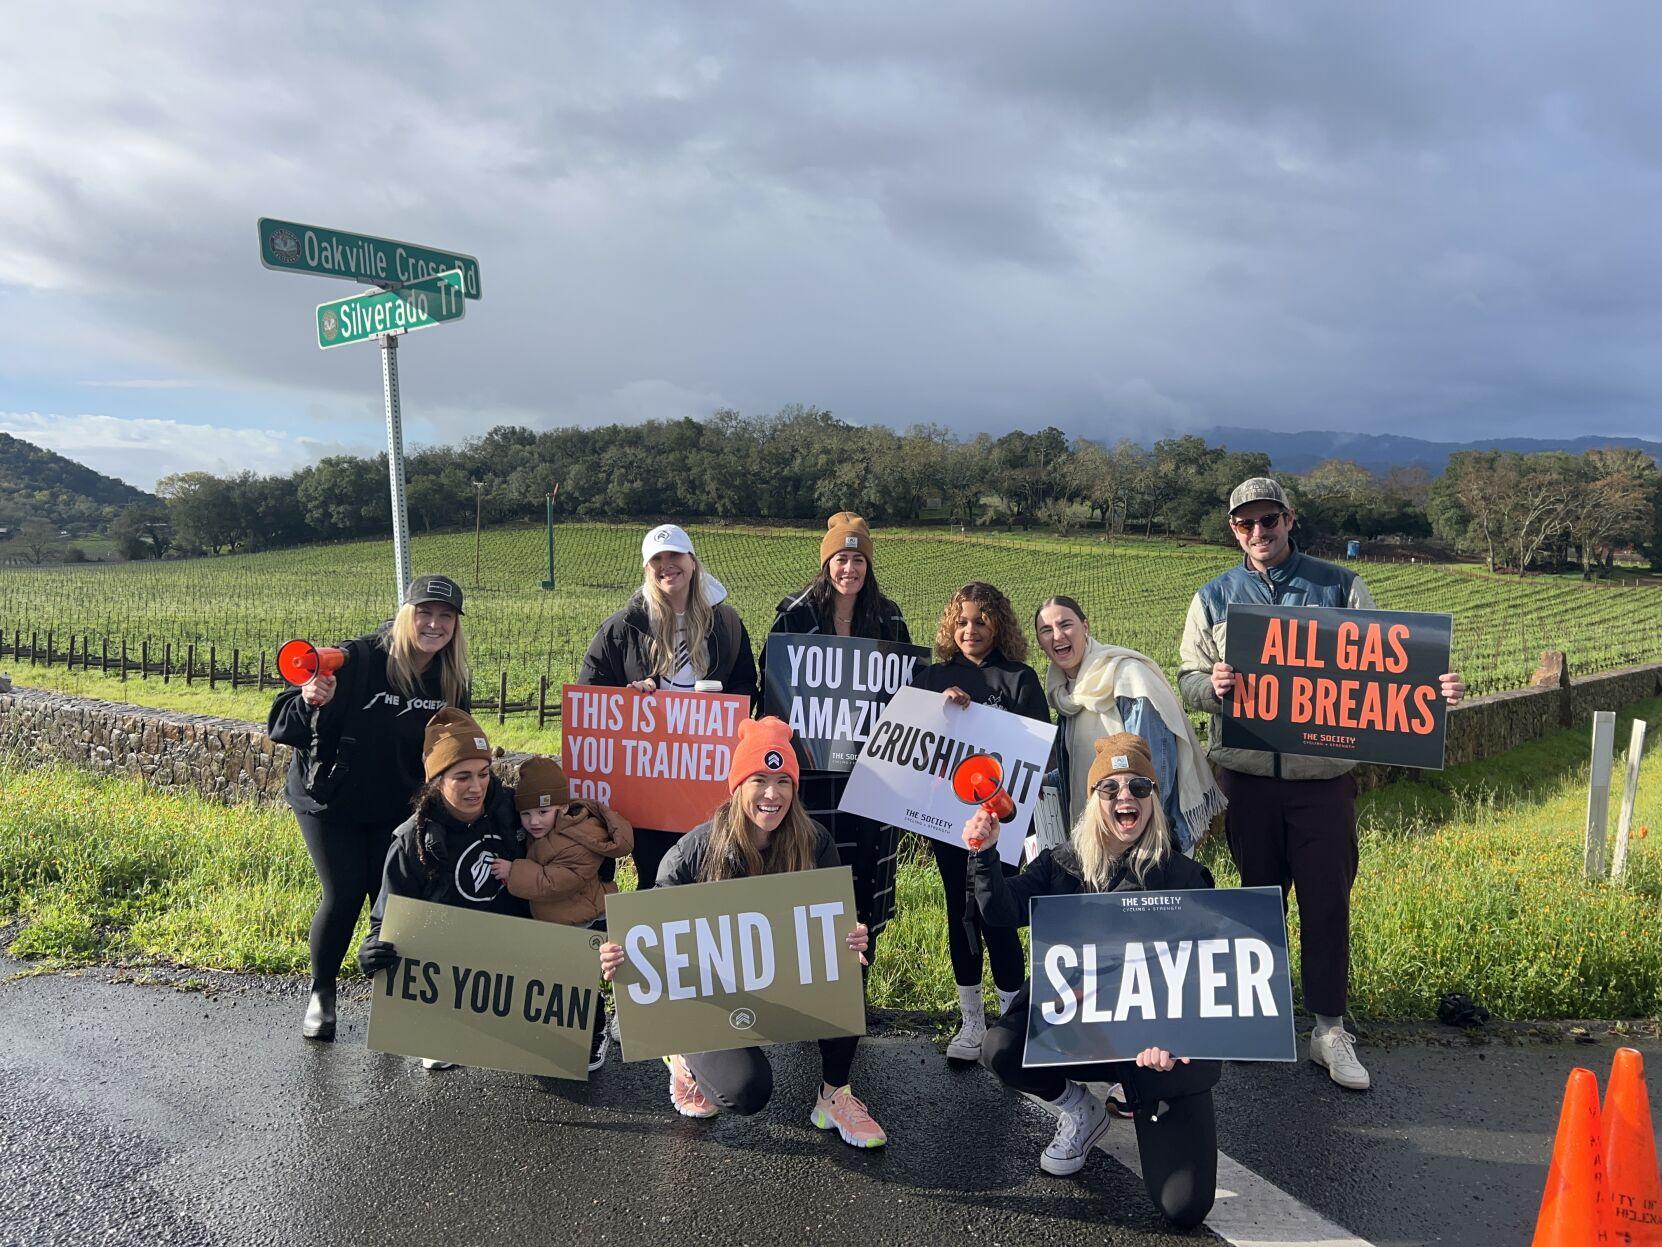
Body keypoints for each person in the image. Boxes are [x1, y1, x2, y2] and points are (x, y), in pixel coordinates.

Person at [1177, 477, 1465, 1092]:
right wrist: (1213, 688)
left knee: (1328, 904)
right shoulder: (1213, 596)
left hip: (1322, 780)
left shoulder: (1339, 584)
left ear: (1289, 519)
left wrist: (1433, 693)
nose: (1258, 532)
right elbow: (1188, 678)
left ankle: (1329, 1030)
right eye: (1245, 524)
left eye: (1269, 519)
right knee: (1256, 906)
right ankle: (1260, 1021)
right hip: (1247, 779)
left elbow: (1390, 670)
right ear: (1234, 530)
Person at [964, 733, 1219, 1230]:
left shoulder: (1185, 877)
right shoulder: (1064, 862)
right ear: (1093, 798)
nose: (1126, 797)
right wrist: (985, 854)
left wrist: (1179, 1038)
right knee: (1002, 1046)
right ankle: (1079, 1110)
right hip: (1080, 1024)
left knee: (1183, 1206)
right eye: (1111, 788)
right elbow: (1001, 909)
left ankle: (1137, 1087)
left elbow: (1209, 976)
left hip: (1153, 1045)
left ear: (1154, 797)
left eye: (1138, 787)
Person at [597, 717, 885, 1148]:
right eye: (759, 780)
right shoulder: (695, 849)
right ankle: (681, 1053)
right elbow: (650, 929)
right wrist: (618, 954)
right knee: (746, 1091)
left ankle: (834, 1095)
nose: (773, 794)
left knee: (846, 961)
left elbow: (833, 922)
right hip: (709, 993)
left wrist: (853, 936)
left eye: (784, 781)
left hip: (775, 979)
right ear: (737, 786)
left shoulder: (814, 840)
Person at [266, 573, 470, 1042]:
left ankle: (395, 1002)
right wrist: (309, 698)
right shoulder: (358, 658)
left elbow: (457, 743)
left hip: (398, 804)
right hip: (330, 800)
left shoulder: (451, 676)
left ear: (455, 626)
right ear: (406, 614)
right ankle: (322, 993)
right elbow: (280, 724)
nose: (434, 624)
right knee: (344, 894)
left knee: (396, 904)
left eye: (445, 616)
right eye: (425, 613)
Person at [909, 581, 1051, 1061]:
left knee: (1000, 911)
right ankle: (971, 1021)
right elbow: (914, 745)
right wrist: (939, 710)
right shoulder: (932, 678)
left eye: (982, 621)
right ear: (951, 625)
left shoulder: (1020, 678)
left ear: (998, 626)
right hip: (947, 820)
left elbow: (1037, 751)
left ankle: (1013, 1015)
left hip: (1003, 823)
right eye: (963, 621)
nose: (971, 630)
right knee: (960, 910)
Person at [578, 523, 758, 890]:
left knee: (711, 873)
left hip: (708, 775)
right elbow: (590, 698)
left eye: (674, 556)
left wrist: (721, 706)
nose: (666, 565)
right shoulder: (621, 629)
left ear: (692, 562)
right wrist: (626, 700)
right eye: (656, 559)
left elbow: (745, 684)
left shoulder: (726, 624)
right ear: (647, 569)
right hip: (650, 781)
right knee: (656, 875)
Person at [769, 512, 911, 960]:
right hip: (815, 775)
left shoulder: (888, 619)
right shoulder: (794, 615)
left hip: (872, 774)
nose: (849, 569)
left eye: (858, 560)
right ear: (826, 562)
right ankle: (809, 982)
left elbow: (909, 690)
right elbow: (772, 688)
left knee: (865, 876)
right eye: (841, 559)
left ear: (869, 566)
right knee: (810, 869)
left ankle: (857, 984)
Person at [357, 708, 527, 1071]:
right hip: (451, 966)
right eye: (462, 777)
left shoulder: (514, 810)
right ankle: (446, 1027)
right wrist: (372, 953)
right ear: (437, 780)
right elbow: (387, 920)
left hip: (514, 956)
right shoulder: (410, 840)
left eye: (483, 774)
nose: (476, 787)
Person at [1034, 595, 1224, 852]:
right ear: (1040, 643)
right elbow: (1079, 767)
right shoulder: (1068, 695)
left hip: (1145, 841)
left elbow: (1155, 770)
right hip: (1100, 842)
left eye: (1065, 625)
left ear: (1085, 627)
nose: (1057, 636)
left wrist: (1141, 842)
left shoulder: (1128, 679)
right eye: (1046, 630)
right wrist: (1036, 782)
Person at [489, 756, 633, 1070]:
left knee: (581, 984)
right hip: (559, 921)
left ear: (562, 807)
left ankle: (596, 1031)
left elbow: (557, 883)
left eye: (543, 811)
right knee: (558, 982)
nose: (534, 821)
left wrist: (514, 872)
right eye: (526, 814)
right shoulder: (543, 833)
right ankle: (563, 1031)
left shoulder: (580, 838)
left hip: (586, 922)